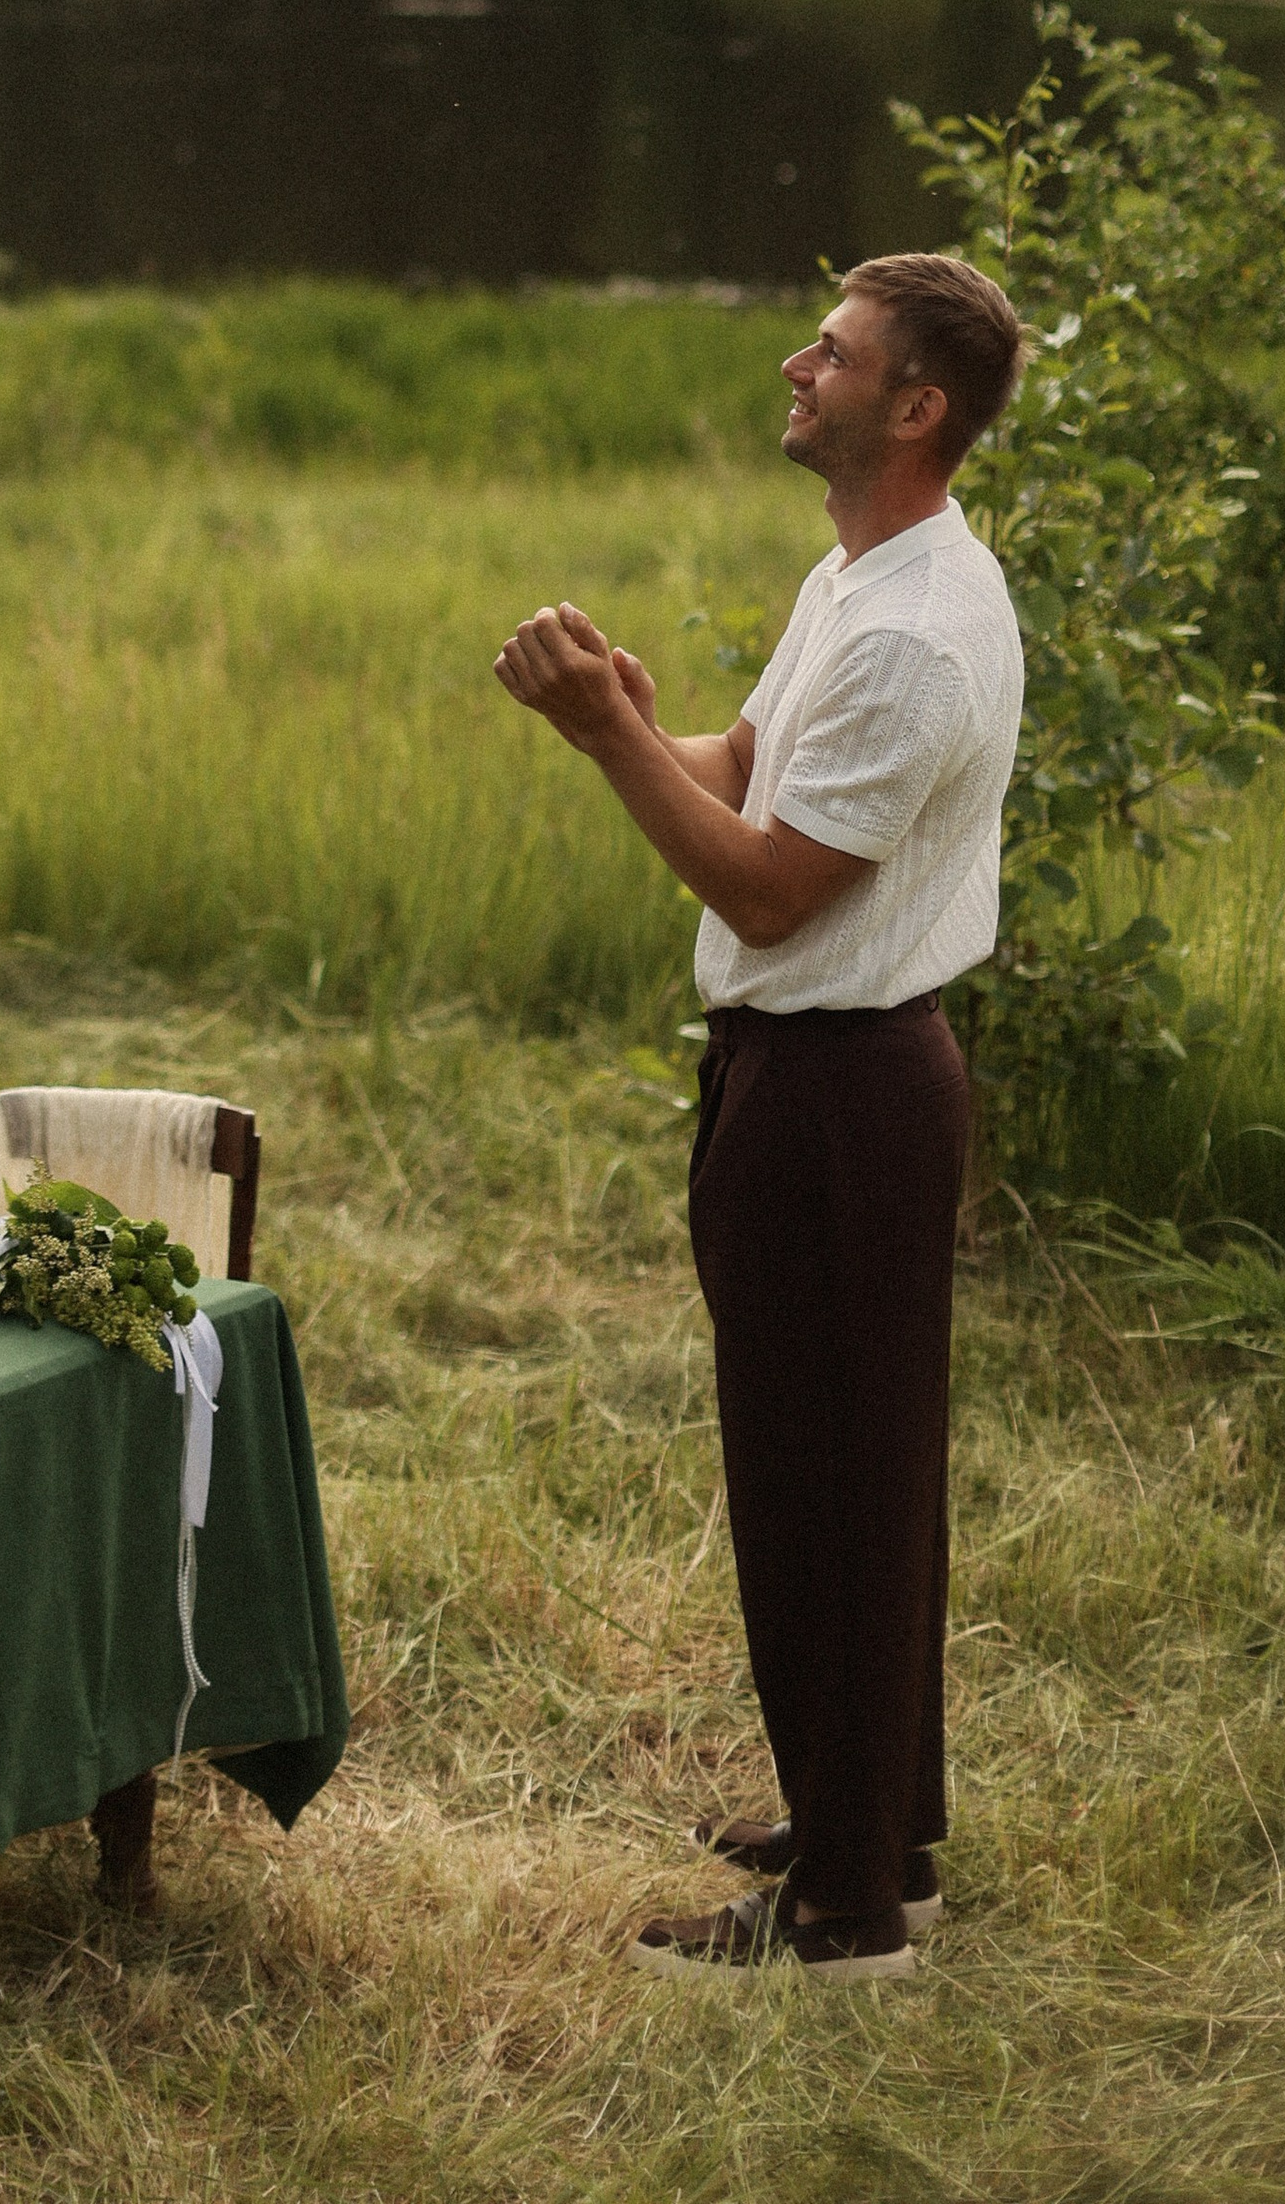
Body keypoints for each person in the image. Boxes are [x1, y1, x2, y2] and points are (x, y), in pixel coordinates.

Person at [494, 250, 1026, 1984]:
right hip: (810, 1080)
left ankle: (848, 1921)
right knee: (849, 1482)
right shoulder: (865, 577)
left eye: (838, 350)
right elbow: (746, 770)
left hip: (845, 1090)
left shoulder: (923, 637)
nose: (799, 363)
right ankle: (879, 1828)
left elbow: (775, 888)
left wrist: (597, 743)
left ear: (915, 405)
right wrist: (647, 722)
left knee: (825, 1490)